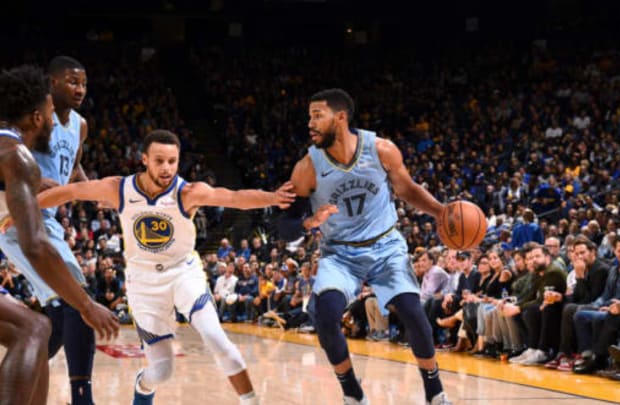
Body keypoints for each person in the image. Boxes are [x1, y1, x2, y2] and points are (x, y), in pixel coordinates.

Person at [34, 129, 295, 405]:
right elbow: (71, 191)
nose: (167, 168)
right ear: (144, 159)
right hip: (143, 282)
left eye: (173, 161)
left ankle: (251, 401)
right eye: (159, 161)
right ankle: (143, 387)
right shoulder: (119, 188)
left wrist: (272, 198)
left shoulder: (187, 193)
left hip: (183, 272)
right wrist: (23, 210)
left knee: (218, 341)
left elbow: (233, 197)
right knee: (161, 370)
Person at [289, 89, 452, 405]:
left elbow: (407, 190)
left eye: (317, 115)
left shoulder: (381, 149)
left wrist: (441, 211)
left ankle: (435, 392)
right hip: (340, 253)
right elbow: (286, 221)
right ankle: (353, 393)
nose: (310, 122)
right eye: (309, 116)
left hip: (385, 246)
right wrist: (307, 223)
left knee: (413, 313)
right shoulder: (308, 166)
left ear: (341, 117)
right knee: (325, 316)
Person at [0, 64, 118, 405]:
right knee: (36, 327)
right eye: (50, 112)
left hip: (30, 221)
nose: (54, 120)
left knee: (33, 330)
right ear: (37, 117)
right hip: (26, 227)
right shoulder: (16, 155)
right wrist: (88, 306)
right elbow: (35, 245)